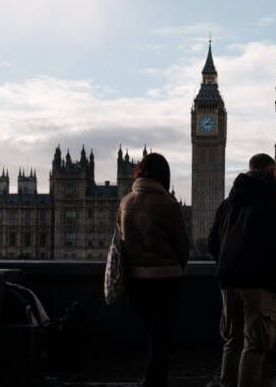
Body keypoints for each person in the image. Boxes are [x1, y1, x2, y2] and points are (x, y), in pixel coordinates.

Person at [208, 153, 276, 387]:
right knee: (255, 344)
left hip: (228, 280)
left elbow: (212, 243)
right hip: (259, 281)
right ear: (272, 171)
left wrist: (228, 263)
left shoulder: (227, 203)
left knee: (232, 341)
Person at [118, 152, 190, 387]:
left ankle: (152, 380)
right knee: (162, 339)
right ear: (163, 176)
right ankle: (153, 382)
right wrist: (177, 266)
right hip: (165, 281)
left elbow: (121, 242)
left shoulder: (126, 202)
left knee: (153, 336)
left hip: (135, 284)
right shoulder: (168, 204)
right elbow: (182, 244)